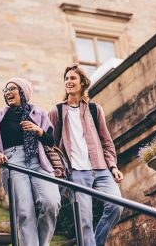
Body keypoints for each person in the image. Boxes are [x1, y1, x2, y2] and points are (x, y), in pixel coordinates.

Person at [48, 64, 124, 246]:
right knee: (84, 221)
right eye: (66, 78)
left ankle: (97, 243)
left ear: (82, 82)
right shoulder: (56, 111)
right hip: (76, 173)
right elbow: (49, 146)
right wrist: (59, 172)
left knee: (116, 207)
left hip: (101, 168)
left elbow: (106, 142)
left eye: (72, 78)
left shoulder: (94, 109)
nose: (68, 81)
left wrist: (113, 166)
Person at [0, 77, 61, 246]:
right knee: (25, 211)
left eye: (12, 88)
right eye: (5, 90)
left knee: (51, 202)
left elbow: (51, 141)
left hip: (38, 161)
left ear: (23, 92)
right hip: (12, 162)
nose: (8, 92)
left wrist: (38, 130)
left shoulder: (39, 114)